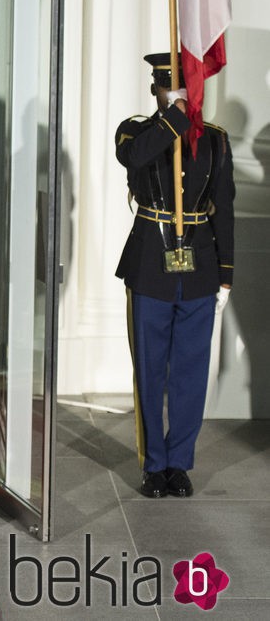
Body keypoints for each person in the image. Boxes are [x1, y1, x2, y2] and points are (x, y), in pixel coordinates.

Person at [115, 53, 234, 499]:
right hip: (150, 265)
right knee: (149, 369)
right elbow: (135, 158)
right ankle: (154, 464)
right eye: (171, 90)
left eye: (186, 91)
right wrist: (171, 121)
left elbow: (225, 209)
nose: (180, 97)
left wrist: (226, 274)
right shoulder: (136, 131)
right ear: (156, 92)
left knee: (189, 371)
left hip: (199, 267)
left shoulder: (216, 142)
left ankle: (180, 462)